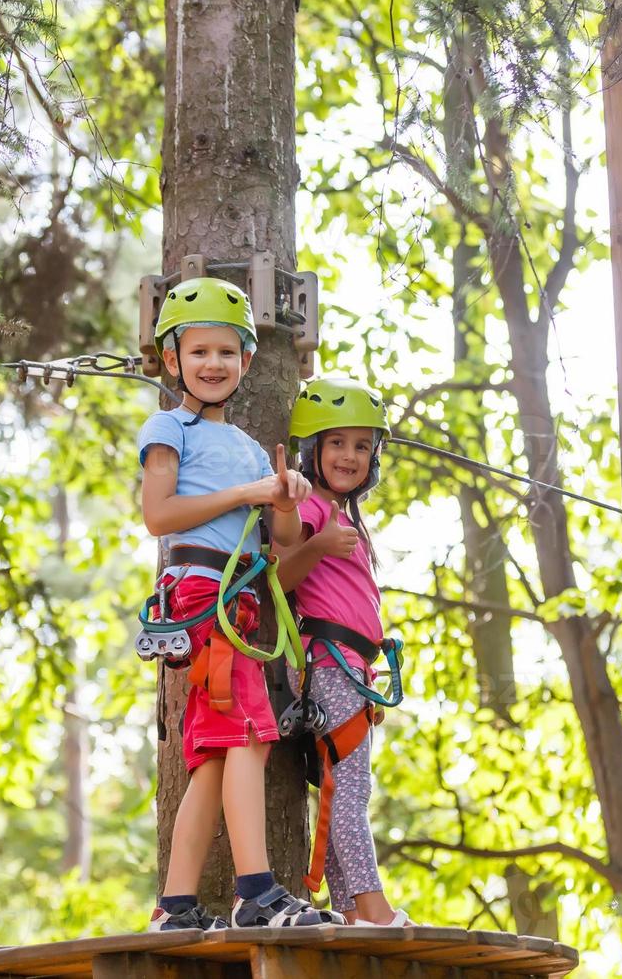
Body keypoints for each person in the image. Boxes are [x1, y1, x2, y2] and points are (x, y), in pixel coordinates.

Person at [139, 276, 339, 932]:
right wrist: (246, 491)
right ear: (173, 360)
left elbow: (280, 547)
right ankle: (256, 893)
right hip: (201, 595)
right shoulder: (169, 427)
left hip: (242, 602)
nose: (213, 364)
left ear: (246, 361)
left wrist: (283, 501)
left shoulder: (254, 451)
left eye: (227, 352)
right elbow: (159, 514)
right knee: (251, 736)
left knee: (221, 751)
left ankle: (174, 906)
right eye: (199, 352)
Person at [275, 376, 410, 926]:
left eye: (361, 445)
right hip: (328, 661)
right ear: (313, 450)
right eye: (337, 443)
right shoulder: (313, 510)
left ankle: (349, 907)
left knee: (342, 783)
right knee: (351, 785)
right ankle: (371, 905)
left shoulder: (342, 513)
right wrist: (319, 545)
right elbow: (280, 575)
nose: (350, 455)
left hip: (350, 665)